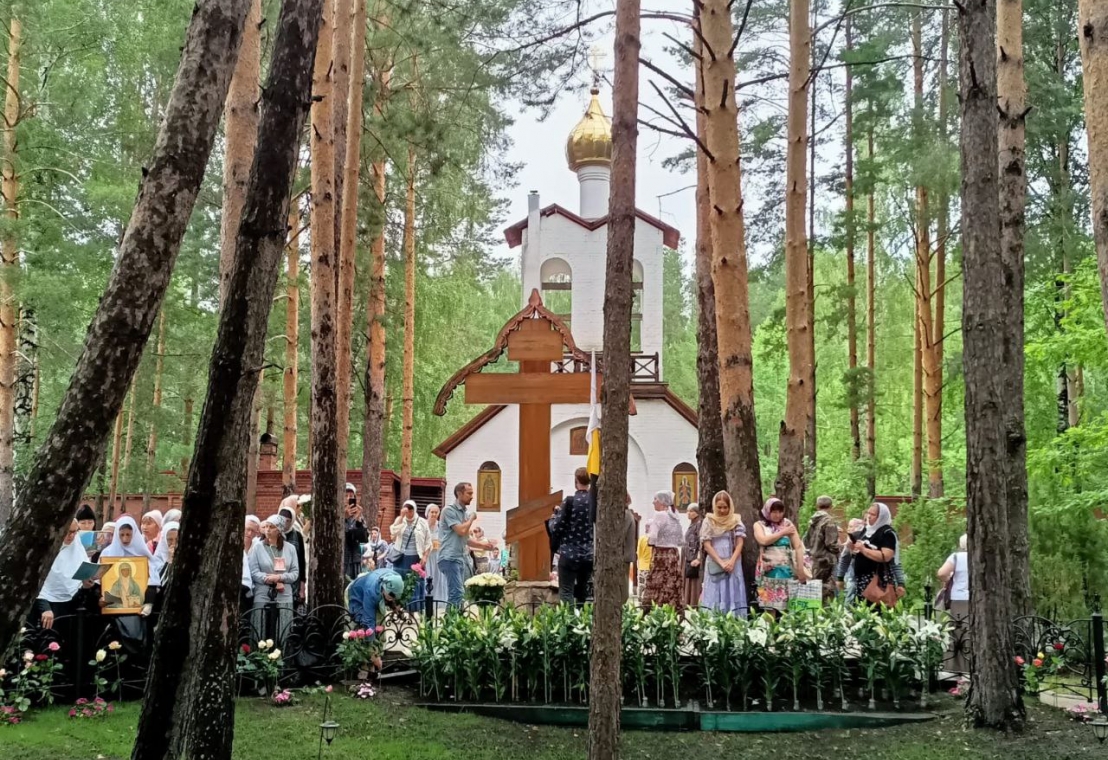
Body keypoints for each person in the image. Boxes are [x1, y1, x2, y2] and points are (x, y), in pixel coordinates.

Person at [99, 515, 162, 651]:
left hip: (138, 614)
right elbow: (101, 582)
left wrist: (149, 603)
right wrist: (102, 599)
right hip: (112, 614)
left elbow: (152, 581)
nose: (125, 539)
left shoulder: (142, 555)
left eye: (128, 534)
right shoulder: (107, 554)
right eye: (122, 535)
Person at [248, 515, 300, 646]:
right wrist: (268, 579)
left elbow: (295, 573)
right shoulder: (257, 548)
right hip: (263, 593)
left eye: (271, 527)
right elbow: (253, 572)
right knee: (260, 629)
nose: (267, 530)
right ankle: (259, 655)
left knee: (282, 630)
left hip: (284, 594)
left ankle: (282, 654)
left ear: (279, 530)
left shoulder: (290, 548)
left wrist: (280, 578)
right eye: (266, 526)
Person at [548, 467, 595, 606]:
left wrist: (553, 518)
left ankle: (568, 617)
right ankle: (582, 616)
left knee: (566, 591)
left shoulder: (570, 501)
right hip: (588, 555)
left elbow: (556, 528)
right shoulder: (595, 502)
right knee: (582, 591)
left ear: (576, 481)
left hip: (569, 553)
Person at [753, 497, 808, 613]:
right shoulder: (759, 525)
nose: (777, 515)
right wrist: (783, 532)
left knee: (789, 607)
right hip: (767, 572)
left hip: (786, 570)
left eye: (780, 512)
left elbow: (798, 546)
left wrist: (800, 569)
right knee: (769, 607)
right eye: (774, 512)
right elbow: (763, 540)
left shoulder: (787, 524)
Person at [34, 520, 90, 630]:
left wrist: (86, 584)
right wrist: (45, 608)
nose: (72, 536)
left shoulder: (76, 545)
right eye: (68, 532)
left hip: (72, 607)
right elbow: (36, 584)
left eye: (75, 532)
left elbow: (82, 575)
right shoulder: (46, 550)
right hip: (49, 606)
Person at [700, 491, 748, 617]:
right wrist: (721, 562)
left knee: (732, 590)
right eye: (719, 507)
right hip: (715, 561)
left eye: (725, 507)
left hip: (733, 562)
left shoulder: (736, 521)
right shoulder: (708, 521)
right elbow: (707, 545)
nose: (722, 510)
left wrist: (731, 561)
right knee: (715, 591)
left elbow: (739, 543)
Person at [846, 502, 901, 607]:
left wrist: (863, 549)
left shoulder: (887, 533)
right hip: (861, 580)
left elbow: (886, 556)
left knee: (876, 609)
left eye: (873, 514)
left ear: (881, 516)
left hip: (877, 580)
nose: (869, 516)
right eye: (868, 513)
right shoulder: (866, 530)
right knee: (861, 611)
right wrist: (854, 548)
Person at [439, 482, 482, 608]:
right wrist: (471, 518)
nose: (472, 496)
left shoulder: (464, 513)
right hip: (449, 557)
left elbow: (465, 538)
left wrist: (485, 546)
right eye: (469, 493)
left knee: (461, 594)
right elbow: (461, 531)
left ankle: (458, 618)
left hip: (461, 557)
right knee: (456, 593)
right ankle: (451, 619)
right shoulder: (449, 510)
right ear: (459, 493)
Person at [642, 491, 684, 612]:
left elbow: (653, 536)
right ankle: (672, 608)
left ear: (662, 502)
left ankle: (656, 608)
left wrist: (649, 541)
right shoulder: (675, 516)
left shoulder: (660, 515)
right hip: (673, 554)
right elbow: (681, 540)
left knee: (658, 581)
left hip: (661, 554)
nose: (653, 502)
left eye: (656, 499)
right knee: (671, 581)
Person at [390, 500, 431, 612]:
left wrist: (425, 556)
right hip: (400, 558)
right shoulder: (400, 520)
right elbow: (393, 532)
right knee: (400, 583)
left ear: (415, 509)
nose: (409, 511)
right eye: (406, 508)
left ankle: (415, 609)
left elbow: (428, 541)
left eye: (411, 509)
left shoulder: (422, 522)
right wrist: (401, 516)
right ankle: (399, 609)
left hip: (416, 557)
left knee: (414, 583)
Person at [937, 534, 970, 672]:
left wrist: (949, 579)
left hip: (959, 598)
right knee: (970, 634)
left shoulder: (956, 557)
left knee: (956, 632)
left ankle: (954, 668)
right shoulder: (981, 556)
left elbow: (941, 573)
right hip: (977, 599)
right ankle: (970, 667)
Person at [804, 495, 841, 601]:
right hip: (826, 561)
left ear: (817, 506)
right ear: (831, 506)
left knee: (815, 590)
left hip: (813, 560)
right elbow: (831, 543)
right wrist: (839, 551)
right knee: (827, 591)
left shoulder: (812, 521)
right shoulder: (829, 521)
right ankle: (826, 610)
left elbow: (806, 541)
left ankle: (814, 610)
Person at [278, 505, 307, 604]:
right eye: (281, 519)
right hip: (276, 578)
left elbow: (301, 562)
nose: (284, 523)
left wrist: (302, 588)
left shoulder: (297, 536)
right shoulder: (274, 534)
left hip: (294, 578)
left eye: (287, 520)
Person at [343, 484, 369, 581]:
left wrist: (358, 520)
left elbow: (364, 538)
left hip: (355, 558)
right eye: (346, 496)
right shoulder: (336, 513)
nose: (348, 498)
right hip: (342, 558)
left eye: (351, 496)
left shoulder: (358, 515)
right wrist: (344, 518)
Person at [682, 503, 704, 609]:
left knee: (695, 580)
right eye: (688, 511)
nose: (688, 513)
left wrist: (699, 558)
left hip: (694, 556)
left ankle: (695, 602)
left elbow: (700, 542)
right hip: (688, 555)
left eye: (691, 511)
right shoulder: (692, 524)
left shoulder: (699, 524)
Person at [621, 494, 638, 603]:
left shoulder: (626, 515)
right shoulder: (627, 514)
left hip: (624, 554)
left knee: (623, 582)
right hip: (624, 553)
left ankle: (622, 602)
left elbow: (620, 534)